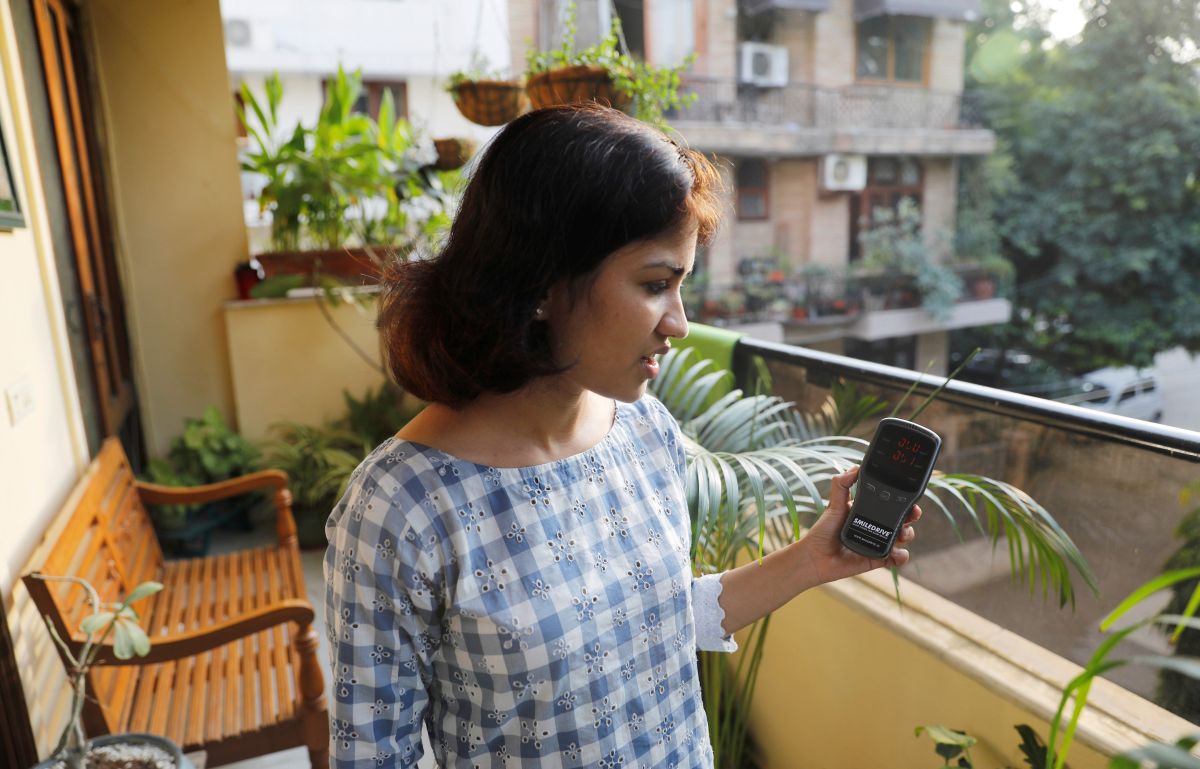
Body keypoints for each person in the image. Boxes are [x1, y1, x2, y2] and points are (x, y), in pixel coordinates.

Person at [323, 104, 921, 768]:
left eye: (682, 285)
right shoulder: (399, 508)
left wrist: (812, 558)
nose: (680, 323)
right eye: (655, 284)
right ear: (542, 282)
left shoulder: (643, 430)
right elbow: (373, 757)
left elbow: (656, 622)